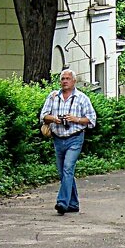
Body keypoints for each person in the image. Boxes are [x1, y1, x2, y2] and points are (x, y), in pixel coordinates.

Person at [39, 68, 97, 215]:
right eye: (63, 79)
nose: (65, 81)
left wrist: (75, 119)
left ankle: (62, 202)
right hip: (58, 138)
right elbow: (43, 116)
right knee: (63, 172)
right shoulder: (53, 97)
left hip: (75, 137)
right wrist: (54, 119)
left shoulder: (82, 98)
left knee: (68, 168)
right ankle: (73, 203)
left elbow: (91, 120)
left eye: (67, 79)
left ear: (74, 81)